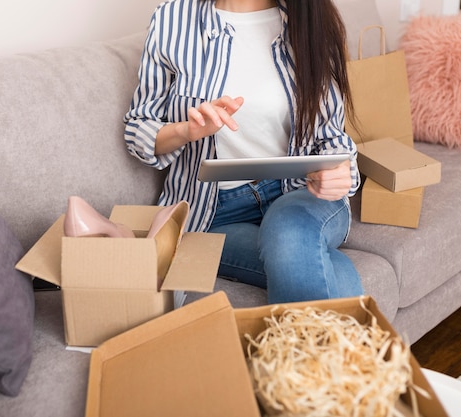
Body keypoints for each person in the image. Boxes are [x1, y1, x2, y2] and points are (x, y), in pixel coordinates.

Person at [124, 0, 364, 304]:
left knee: (289, 232)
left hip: (301, 194)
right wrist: (187, 130)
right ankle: (351, 350)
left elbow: (332, 137)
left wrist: (340, 173)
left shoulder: (308, 20)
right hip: (214, 211)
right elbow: (139, 127)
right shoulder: (172, 19)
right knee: (312, 259)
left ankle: (304, 351)